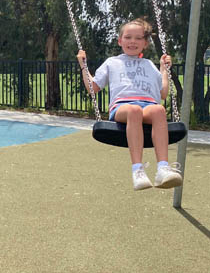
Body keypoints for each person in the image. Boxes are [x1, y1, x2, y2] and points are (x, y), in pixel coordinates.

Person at [76, 17, 182, 191]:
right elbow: (93, 88)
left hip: (147, 106)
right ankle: (137, 170)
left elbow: (162, 93)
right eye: (128, 37)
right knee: (134, 110)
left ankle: (163, 168)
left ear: (145, 43)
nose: (133, 41)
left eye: (138, 38)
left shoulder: (148, 64)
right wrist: (83, 66)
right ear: (120, 41)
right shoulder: (112, 62)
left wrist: (164, 70)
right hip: (123, 107)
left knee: (159, 110)